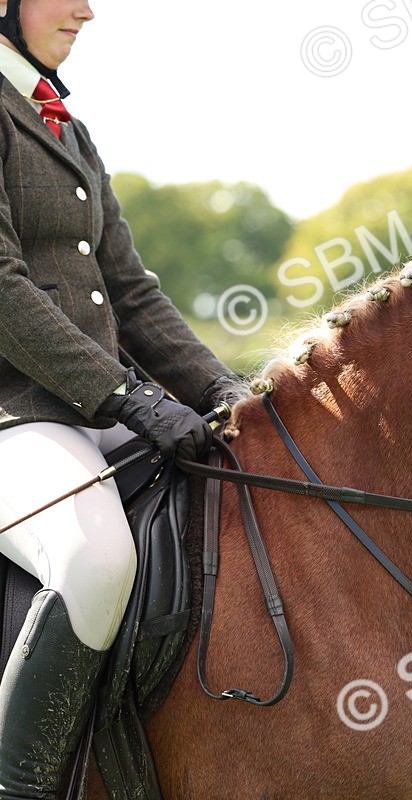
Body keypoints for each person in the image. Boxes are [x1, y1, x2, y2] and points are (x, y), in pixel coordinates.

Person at [0, 1, 238, 795]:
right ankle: (20, 785)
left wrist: (229, 393)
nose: (87, 10)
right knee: (94, 558)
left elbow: (130, 291)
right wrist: (123, 397)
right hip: (16, 417)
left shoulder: (64, 123)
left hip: (90, 416)